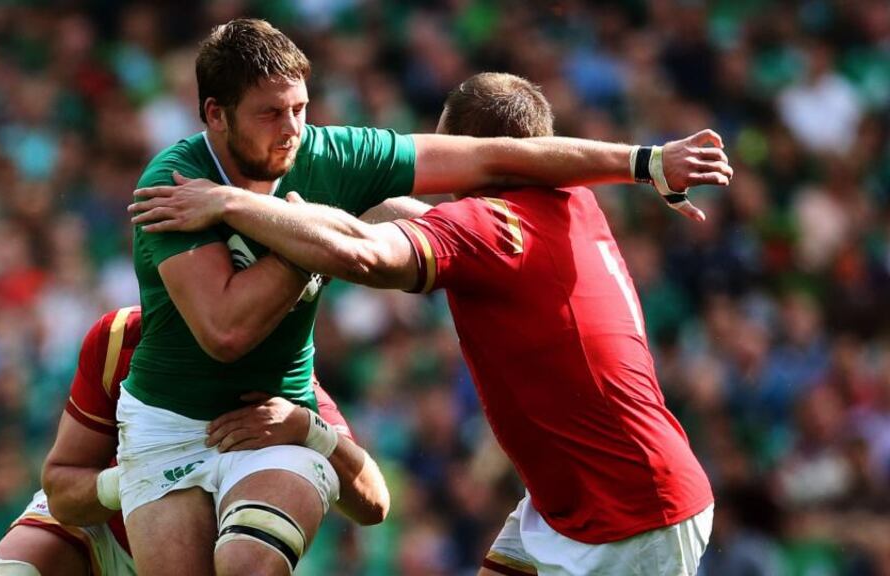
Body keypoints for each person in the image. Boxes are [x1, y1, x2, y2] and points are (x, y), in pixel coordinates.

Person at [124, 18, 731, 575]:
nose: (293, 130)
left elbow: (364, 251)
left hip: (631, 514)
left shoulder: (490, 226)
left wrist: (235, 202)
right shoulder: (569, 204)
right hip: (568, 504)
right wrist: (647, 161)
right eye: (272, 114)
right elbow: (422, 210)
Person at [0, 306, 388, 576]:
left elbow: (374, 503)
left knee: (255, 544)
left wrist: (307, 428)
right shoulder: (121, 337)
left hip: (201, 554)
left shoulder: (276, 365)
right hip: (106, 528)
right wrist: (138, 480)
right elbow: (61, 486)